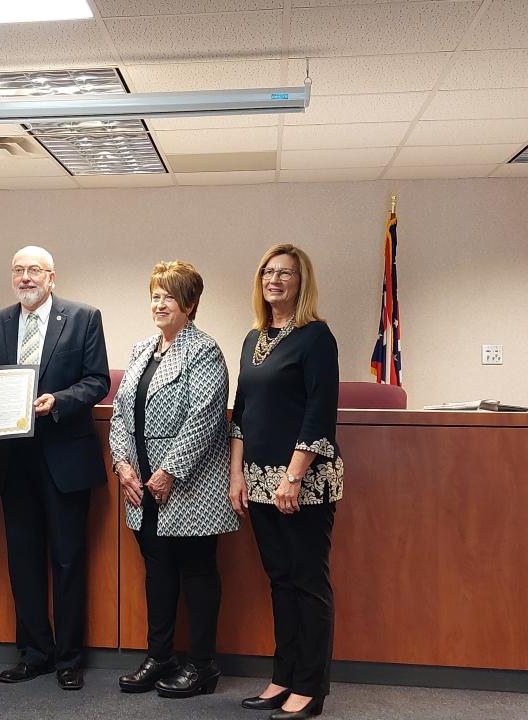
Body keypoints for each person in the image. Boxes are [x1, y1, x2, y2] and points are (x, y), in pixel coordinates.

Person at [0, 245, 110, 691]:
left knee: (68, 560)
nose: (26, 277)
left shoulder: (83, 317)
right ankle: (35, 652)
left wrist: (59, 402)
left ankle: (70, 657)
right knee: (23, 561)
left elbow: (96, 381)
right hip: (14, 460)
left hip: (63, 457)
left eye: (35, 270)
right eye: (18, 270)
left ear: (53, 277)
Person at [109, 260, 239, 698]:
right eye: (155, 295)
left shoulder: (203, 350)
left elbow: (205, 417)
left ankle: (202, 666)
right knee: (158, 572)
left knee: (198, 573)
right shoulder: (142, 348)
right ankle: (159, 655)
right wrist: (122, 465)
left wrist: (168, 472)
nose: (159, 303)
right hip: (141, 486)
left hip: (189, 487)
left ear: (190, 303)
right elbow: (121, 412)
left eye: (169, 296)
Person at [228, 244, 343, 719]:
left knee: (307, 582)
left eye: (286, 273)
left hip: (304, 483)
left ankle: (311, 688)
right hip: (256, 481)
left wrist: (293, 478)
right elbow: (243, 413)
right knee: (280, 582)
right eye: (268, 272)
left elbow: (319, 415)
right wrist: (236, 473)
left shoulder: (316, 337)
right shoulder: (253, 338)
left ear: (301, 281)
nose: (275, 279)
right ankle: (284, 676)